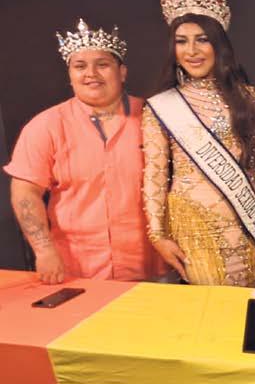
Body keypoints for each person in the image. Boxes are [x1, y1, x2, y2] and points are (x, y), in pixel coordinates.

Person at [143, 0, 255, 287]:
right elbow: (154, 175)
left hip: (248, 221)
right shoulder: (161, 107)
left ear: (219, 45)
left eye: (202, 40)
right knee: (211, 310)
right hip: (195, 226)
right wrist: (157, 235)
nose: (191, 51)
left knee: (252, 306)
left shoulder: (250, 97)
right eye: (182, 42)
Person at [5, 19, 164, 283]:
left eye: (102, 64)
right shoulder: (45, 126)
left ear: (122, 72)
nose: (91, 74)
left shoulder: (155, 117)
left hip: (154, 270)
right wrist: (44, 250)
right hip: (77, 273)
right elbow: (25, 192)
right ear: (70, 74)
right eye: (80, 66)